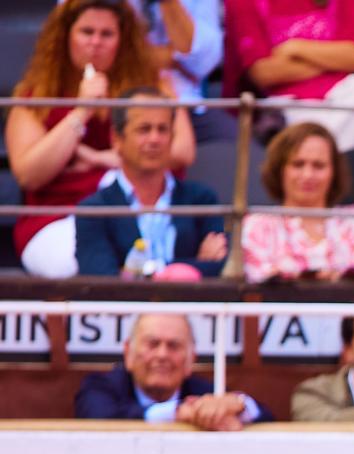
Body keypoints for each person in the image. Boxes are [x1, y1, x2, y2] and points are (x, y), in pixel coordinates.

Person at [6, 0, 195, 278]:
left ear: (122, 40)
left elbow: (182, 151)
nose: (96, 42)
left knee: (158, 259)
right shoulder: (34, 98)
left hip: (142, 214)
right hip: (58, 220)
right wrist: (81, 112)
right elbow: (30, 174)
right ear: (65, 36)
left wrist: (102, 158)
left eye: (107, 34)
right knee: (85, 262)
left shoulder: (154, 87)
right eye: (86, 32)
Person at [76, 87, 227, 277]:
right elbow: (100, 280)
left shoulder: (201, 199)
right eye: (144, 129)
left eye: (162, 129)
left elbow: (220, 268)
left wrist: (131, 273)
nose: (155, 139)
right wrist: (190, 267)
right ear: (116, 139)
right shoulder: (94, 210)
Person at [223, 0, 354, 151]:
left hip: (344, 94)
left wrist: (295, 48)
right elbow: (263, 73)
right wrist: (334, 60)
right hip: (284, 105)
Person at [242, 122, 354, 283]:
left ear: (334, 171)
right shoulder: (258, 226)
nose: (308, 175)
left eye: (319, 166)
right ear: (279, 170)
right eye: (298, 164)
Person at [75, 312, 267, 429]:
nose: (162, 355)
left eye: (174, 346)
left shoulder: (202, 392)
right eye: (152, 344)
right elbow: (100, 419)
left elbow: (268, 420)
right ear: (128, 353)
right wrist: (177, 413)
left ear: (191, 359)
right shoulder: (99, 386)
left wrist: (239, 404)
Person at [128, 0, 229, 142]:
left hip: (187, 106)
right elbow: (112, 57)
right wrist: (175, 58)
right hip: (118, 101)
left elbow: (202, 63)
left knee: (235, 150)